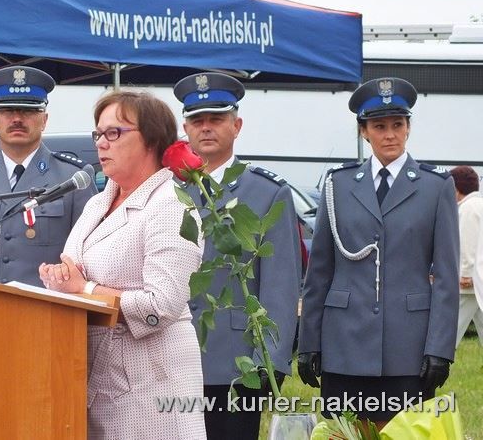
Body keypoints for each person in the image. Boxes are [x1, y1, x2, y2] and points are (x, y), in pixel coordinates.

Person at [38, 91, 206, 438]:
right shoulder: (99, 202)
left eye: (114, 133)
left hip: (152, 385)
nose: (102, 144)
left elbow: (162, 305)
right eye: (98, 134)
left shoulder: (172, 204)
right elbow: (76, 268)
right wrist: (59, 278)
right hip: (98, 380)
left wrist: (83, 288)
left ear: (152, 139)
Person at [298, 77, 459, 428]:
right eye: (379, 126)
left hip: (408, 347)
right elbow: (320, 271)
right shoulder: (337, 185)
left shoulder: (436, 187)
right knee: (342, 434)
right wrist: (309, 341)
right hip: (343, 345)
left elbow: (446, 277)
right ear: (363, 132)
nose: (390, 134)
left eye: (397, 125)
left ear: (409, 128)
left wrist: (440, 349)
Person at [173, 73, 301, 439]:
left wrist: (272, 358)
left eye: (216, 119)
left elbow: (280, 283)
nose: (206, 128)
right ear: (186, 127)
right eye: (198, 120)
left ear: (236, 125)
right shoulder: (168, 190)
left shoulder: (265, 192)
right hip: (171, 357)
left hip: (234, 360)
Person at [0, 66, 97, 286]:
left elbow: (91, 263)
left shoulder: (74, 179)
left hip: (48, 314)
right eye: (7, 110)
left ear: (44, 119)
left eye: (28, 110)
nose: (17, 118)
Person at [450, 166, 483, 349]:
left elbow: (469, 242)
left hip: (469, 285)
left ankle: (431, 368)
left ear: (455, 188)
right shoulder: (479, 204)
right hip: (478, 283)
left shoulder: (468, 208)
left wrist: (466, 274)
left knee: (448, 333)